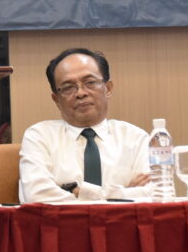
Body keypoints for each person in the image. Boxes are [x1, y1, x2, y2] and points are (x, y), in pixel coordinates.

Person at [19, 48, 151, 203]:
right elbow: (37, 196)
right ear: (56, 99)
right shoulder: (39, 136)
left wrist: (79, 192)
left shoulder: (135, 138)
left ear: (108, 89)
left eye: (90, 83)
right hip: (61, 226)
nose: (81, 93)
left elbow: (154, 194)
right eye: (68, 87)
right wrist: (121, 194)